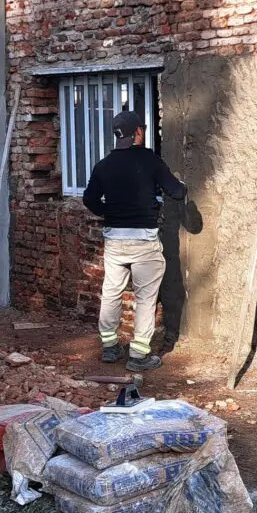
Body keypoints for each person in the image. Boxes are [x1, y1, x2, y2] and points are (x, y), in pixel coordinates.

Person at [83, 110, 186, 372]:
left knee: (111, 293)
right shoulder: (149, 161)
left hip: (115, 242)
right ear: (139, 132)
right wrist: (179, 184)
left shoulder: (104, 165)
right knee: (145, 298)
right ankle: (138, 355)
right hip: (143, 243)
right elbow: (176, 192)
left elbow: (89, 199)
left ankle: (110, 347)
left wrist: (109, 212)